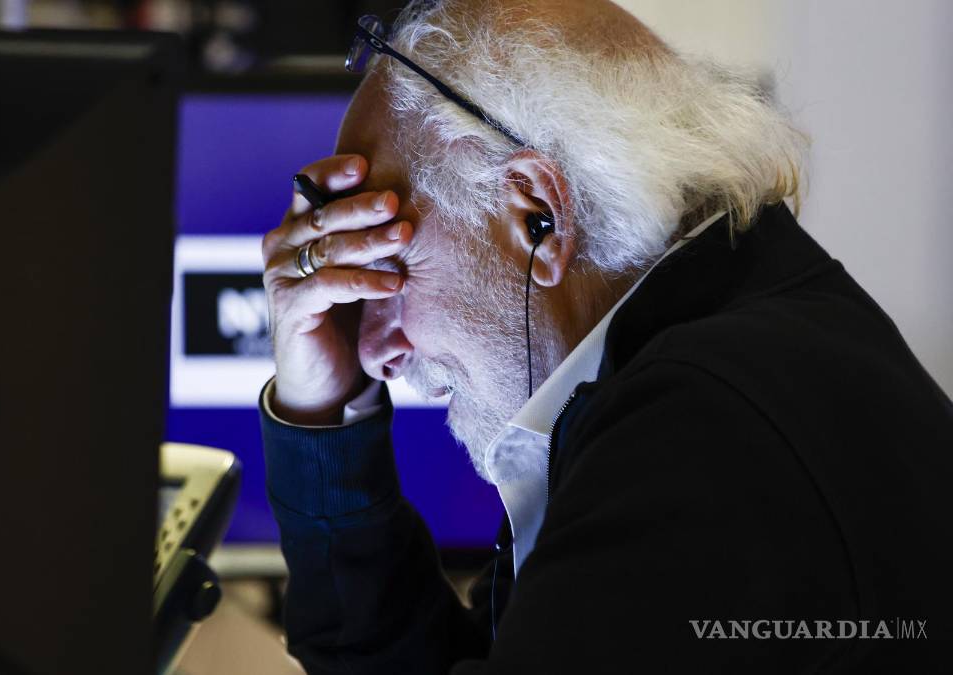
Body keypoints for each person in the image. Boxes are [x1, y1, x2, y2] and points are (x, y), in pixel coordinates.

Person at [257, 0, 953, 672]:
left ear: (536, 213)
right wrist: (324, 415)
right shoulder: (714, 354)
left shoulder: (704, 429)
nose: (374, 351)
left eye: (386, 266)